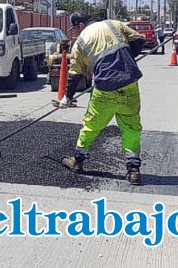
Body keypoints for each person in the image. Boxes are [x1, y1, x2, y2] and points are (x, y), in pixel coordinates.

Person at [58, 12, 146, 185]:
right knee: (131, 127)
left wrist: (67, 98)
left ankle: (78, 160)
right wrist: (129, 60)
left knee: (91, 125)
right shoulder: (114, 24)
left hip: (104, 88)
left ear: (81, 26)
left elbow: (75, 74)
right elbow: (139, 40)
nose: (75, 31)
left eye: (75, 28)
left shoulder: (80, 42)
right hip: (129, 83)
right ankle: (133, 170)